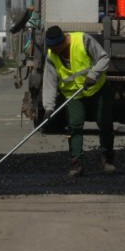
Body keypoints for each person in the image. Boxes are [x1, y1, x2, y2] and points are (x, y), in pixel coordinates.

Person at [42, 25, 114, 177]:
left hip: (96, 89)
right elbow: (49, 82)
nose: (53, 51)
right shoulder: (51, 55)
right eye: (51, 48)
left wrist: (93, 75)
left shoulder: (83, 40)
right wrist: (48, 107)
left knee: (105, 122)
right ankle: (77, 164)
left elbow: (104, 57)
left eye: (55, 48)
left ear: (63, 42)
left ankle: (107, 159)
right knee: (74, 126)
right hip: (73, 94)